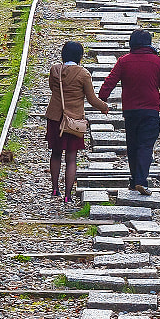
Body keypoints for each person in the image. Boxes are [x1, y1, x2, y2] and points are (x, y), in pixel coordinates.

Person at [98, 28, 160, 194]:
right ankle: (141, 181)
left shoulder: (124, 61)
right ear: (149, 44)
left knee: (132, 146)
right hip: (150, 111)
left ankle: (134, 181)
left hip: (131, 112)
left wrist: (102, 98)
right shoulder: (157, 62)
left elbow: (110, 81)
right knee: (145, 146)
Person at [46, 41, 109, 202]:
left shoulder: (55, 70)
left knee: (56, 153)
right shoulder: (83, 74)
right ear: (80, 57)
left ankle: (54, 189)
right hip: (73, 121)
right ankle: (67, 195)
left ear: (63, 54)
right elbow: (92, 99)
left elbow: (53, 89)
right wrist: (104, 107)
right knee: (71, 158)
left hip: (55, 118)